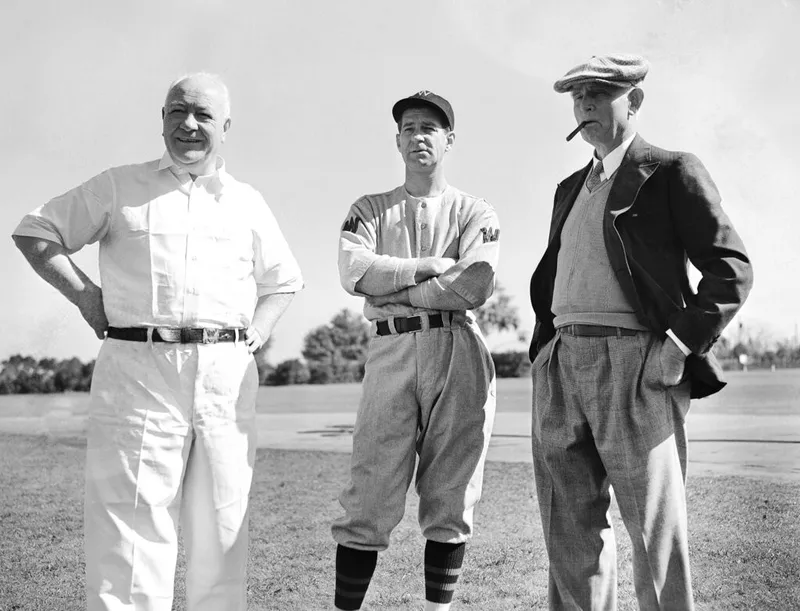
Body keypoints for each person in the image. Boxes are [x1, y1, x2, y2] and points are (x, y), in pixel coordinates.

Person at [12, 73, 303, 611]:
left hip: (225, 378)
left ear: (226, 127)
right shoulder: (120, 186)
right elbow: (35, 230)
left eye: (202, 115)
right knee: (129, 532)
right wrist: (84, 297)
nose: (187, 125)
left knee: (222, 524)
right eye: (176, 112)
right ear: (162, 118)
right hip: (137, 372)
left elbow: (284, 279)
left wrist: (255, 334)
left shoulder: (247, 202)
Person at [528, 54, 753, 610]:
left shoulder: (671, 169)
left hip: (638, 366)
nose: (585, 104)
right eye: (577, 95)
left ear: (634, 101)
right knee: (568, 536)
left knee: (654, 536)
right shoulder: (567, 187)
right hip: (561, 367)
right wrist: (545, 354)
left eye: (599, 93)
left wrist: (676, 348)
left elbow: (731, 269)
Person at [332, 90, 499, 611]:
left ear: (450, 139)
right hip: (392, 349)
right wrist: (427, 268)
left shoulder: (476, 210)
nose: (418, 135)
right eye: (408, 127)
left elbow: (472, 284)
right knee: (369, 492)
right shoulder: (368, 208)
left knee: (452, 490)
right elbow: (353, 273)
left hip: (458, 347)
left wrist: (391, 286)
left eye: (430, 127)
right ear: (397, 138)